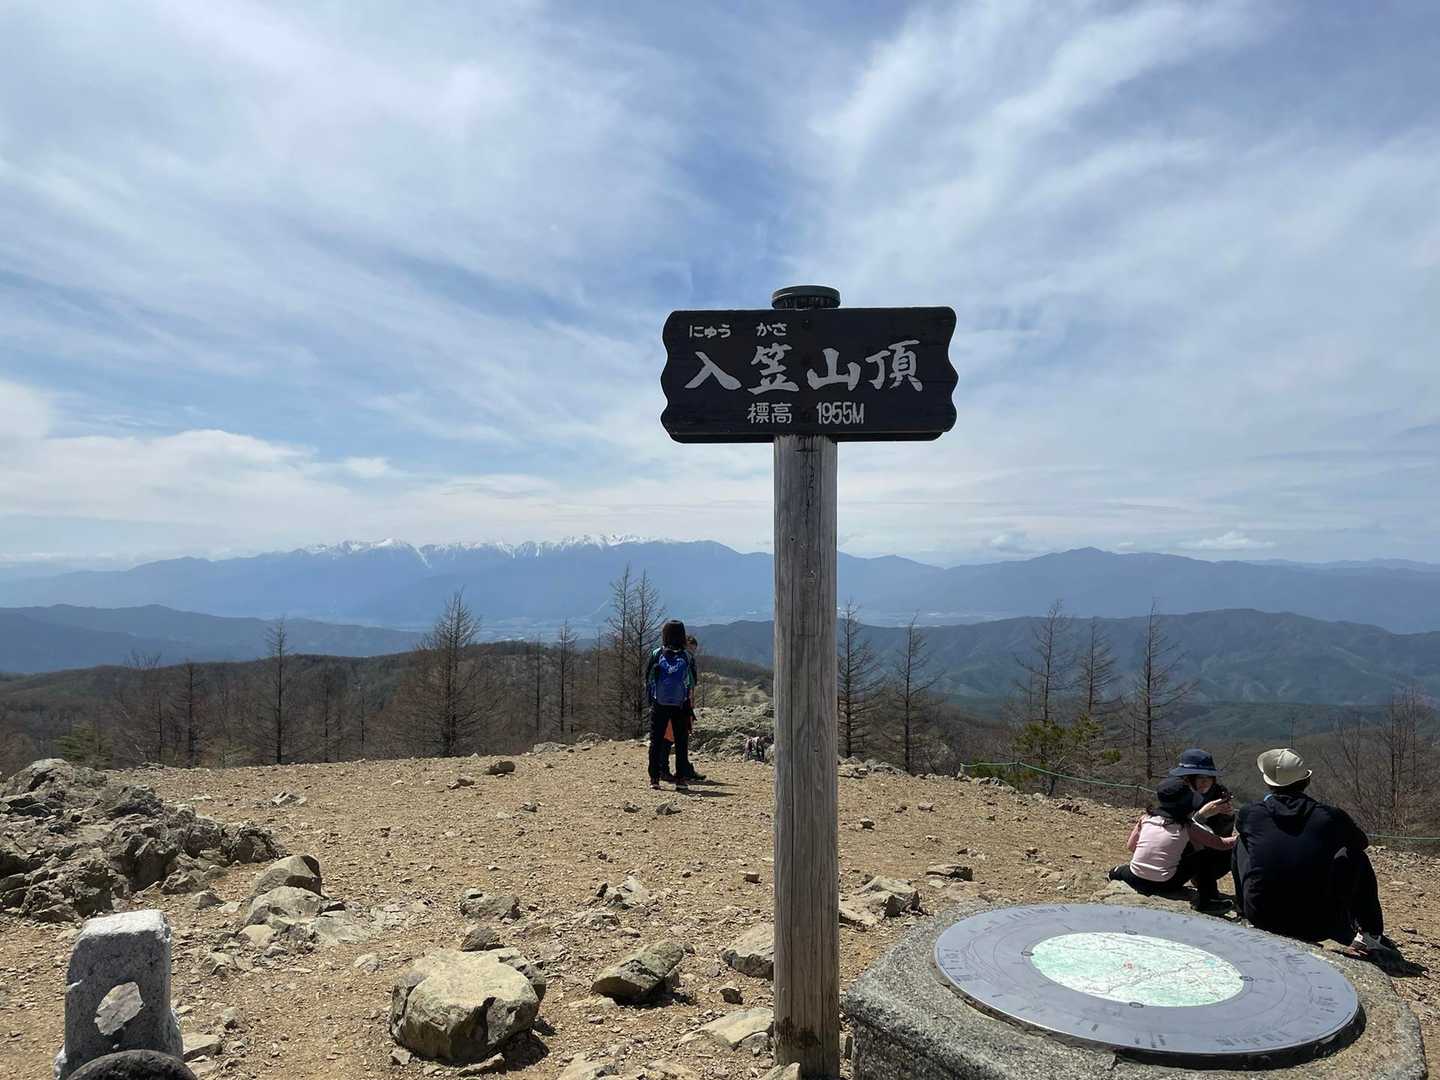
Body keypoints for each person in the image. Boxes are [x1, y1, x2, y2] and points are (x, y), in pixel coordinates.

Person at [1233, 748, 1392, 958]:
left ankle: (1243, 913)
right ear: (1306, 781)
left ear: (1268, 783)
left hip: (1262, 917)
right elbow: (1360, 843)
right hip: (1317, 925)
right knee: (1356, 857)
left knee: (1241, 842)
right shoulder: (1330, 817)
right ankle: (1370, 933)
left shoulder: (1250, 813)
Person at [1109, 776, 1237, 913]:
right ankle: (1207, 901)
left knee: (1116, 871)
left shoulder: (1146, 819)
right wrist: (1242, 837)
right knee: (1202, 857)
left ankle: (1113, 874)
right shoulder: (1187, 827)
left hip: (1135, 877)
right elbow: (1221, 844)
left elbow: (1131, 847)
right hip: (1167, 883)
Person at [645, 620, 699, 789]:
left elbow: (648, 678)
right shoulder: (687, 656)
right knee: (681, 741)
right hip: (681, 704)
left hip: (659, 703)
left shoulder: (656, 653)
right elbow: (693, 681)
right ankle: (681, 779)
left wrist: (652, 699)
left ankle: (654, 779)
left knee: (656, 740)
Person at [1168, 748, 1235, 836]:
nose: (1205, 782)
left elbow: (1222, 835)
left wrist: (1227, 817)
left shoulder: (1217, 794)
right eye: (1199, 777)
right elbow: (1173, 833)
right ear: (1186, 778)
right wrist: (1200, 816)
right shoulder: (1175, 793)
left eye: (1209, 777)